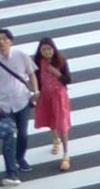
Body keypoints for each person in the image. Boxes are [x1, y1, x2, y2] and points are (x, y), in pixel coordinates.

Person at [0, 28, 35, 186]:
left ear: (11, 41)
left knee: (23, 134)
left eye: (5, 39)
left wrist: (35, 92)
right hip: (4, 104)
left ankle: (20, 158)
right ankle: (11, 173)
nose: (2, 42)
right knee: (8, 138)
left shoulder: (21, 56)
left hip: (22, 100)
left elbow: (31, 73)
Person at [32, 38, 74, 171]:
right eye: (43, 49)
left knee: (62, 122)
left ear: (54, 49)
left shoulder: (60, 61)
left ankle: (66, 154)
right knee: (50, 118)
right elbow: (36, 80)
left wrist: (55, 72)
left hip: (59, 95)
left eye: (49, 49)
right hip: (45, 95)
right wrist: (36, 93)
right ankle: (55, 139)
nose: (47, 52)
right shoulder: (38, 63)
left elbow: (68, 79)